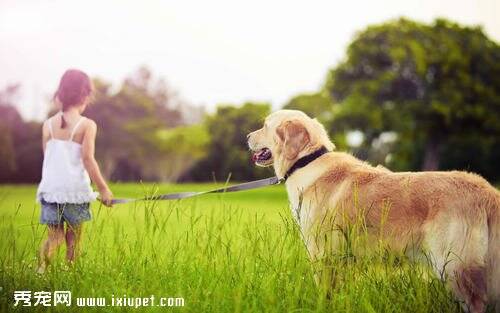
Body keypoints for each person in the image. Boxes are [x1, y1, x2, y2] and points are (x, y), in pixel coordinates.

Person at [36, 69, 113, 273]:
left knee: (55, 237)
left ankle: (41, 269)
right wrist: (103, 189)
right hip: (74, 192)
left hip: (51, 191)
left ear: (60, 94)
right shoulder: (87, 125)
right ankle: (70, 276)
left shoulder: (47, 125)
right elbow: (88, 159)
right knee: (73, 241)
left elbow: (48, 159)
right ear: (85, 96)